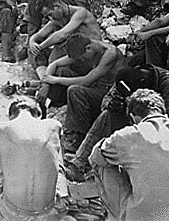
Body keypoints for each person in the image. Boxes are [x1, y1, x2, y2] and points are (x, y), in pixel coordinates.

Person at [66, 65, 169, 182]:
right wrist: (113, 103)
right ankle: (79, 163)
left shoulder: (166, 82)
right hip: (132, 120)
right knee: (107, 115)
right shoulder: (127, 77)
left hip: (159, 131)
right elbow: (105, 102)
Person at [0, 97, 74, 221]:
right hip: (50, 213)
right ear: (38, 114)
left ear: (11, 115)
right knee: (53, 145)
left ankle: (2, 193)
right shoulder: (54, 125)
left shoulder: (2, 128)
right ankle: (63, 192)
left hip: (10, 213)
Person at [89, 89, 169, 221]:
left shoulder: (128, 134)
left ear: (132, 117)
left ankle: (119, 217)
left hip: (144, 216)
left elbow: (95, 156)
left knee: (102, 163)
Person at [41, 33, 127, 153]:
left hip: (109, 93)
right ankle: (50, 104)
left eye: (82, 57)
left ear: (88, 48)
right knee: (62, 71)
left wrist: (55, 80)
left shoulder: (110, 54)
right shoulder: (86, 47)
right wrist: (47, 82)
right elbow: (54, 64)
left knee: (75, 91)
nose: (82, 60)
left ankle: (79, 136)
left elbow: (86, 81)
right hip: (96, 87)